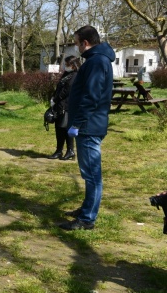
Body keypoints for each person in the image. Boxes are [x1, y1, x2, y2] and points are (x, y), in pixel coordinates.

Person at [60, 25, 115, 231]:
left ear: (85, 42)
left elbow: (91, 97)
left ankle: (87, 219)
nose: (77, 48)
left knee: (92, 174)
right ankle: (86, 208)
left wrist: (76, 123)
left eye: (76, 43)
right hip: (88, 124)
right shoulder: (95, 60)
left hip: (89, 125)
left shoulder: (97, 61)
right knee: (88, 173)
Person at [48, 55, 81, 160]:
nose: (65, 66)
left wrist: (55, 99)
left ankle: (70, 150)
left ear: (73, 65)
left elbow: (66, 91)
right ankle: (59, 150)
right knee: (59, 129)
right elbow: (59, 87)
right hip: (60, 105)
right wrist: (53, 97)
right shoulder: (67, 74)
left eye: (67, 64)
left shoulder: (75, 75)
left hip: (67, 106)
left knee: (66, 128)